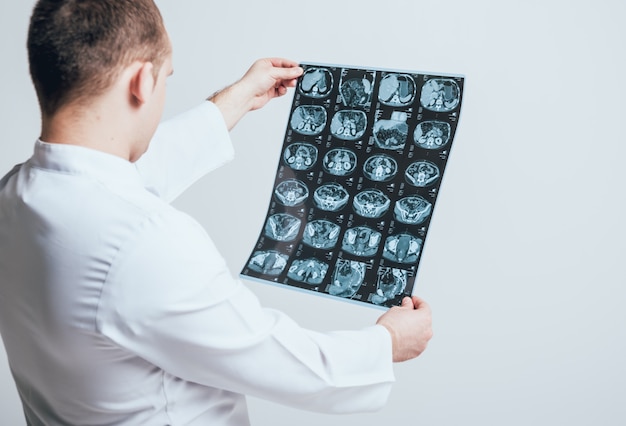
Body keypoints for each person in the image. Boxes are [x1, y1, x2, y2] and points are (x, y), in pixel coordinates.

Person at [0, 0, 433, 424]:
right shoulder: (147, 241)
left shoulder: (16, 196)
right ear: (142, 82)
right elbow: (280, 362)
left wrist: (238, 98)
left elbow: (117, 183)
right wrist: (387, 342)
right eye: (166, 77)